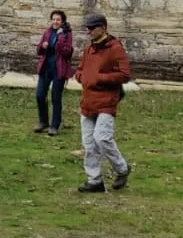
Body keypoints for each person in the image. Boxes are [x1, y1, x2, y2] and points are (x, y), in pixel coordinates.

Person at [75, 12, 133, 194]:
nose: (89, 31)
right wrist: (81, 76)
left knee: (102, 138)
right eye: (88, 28)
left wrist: (99, 78)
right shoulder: (88, 50)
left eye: (92, 28)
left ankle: (122, 168)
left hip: (107, 101)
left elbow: (124, 74)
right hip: (88, 101)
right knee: (89, 143)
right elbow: (80, 70)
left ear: (103, 28)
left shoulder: (115, 48)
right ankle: (94, 180)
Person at [34, 10, 73, 135]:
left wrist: (60, 40)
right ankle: (43, 121)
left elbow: (68, 52)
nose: (55, 22)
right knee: (40, 95)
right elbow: (38, 51)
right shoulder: (47, 32)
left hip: (59, 69)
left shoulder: (67, 34)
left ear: (62, 22)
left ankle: (54, 125)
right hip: (45, 68)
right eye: (54, 19)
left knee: (56, 98)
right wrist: (43, 46)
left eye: (58, 20)